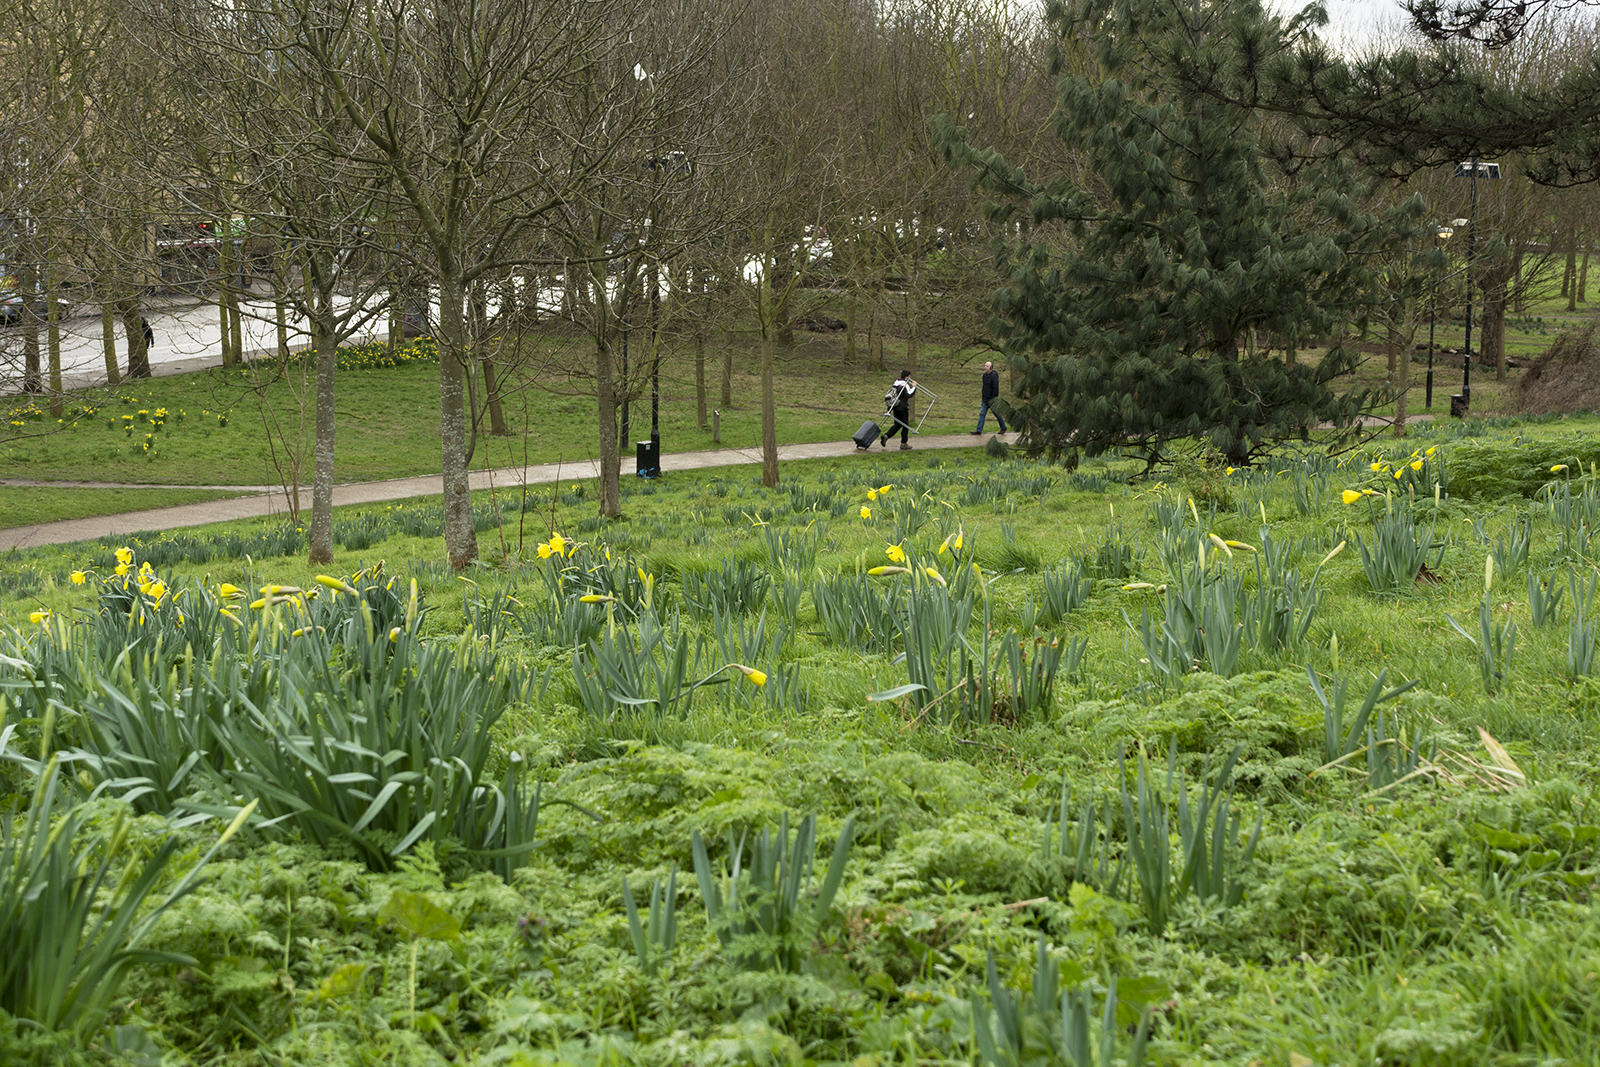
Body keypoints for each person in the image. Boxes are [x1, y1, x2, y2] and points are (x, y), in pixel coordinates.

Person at [881, 370, 917, 450]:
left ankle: (886, 436)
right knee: (905, 425)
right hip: (902, 408)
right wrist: (914, 387)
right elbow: (909, 394)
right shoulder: (904, 385)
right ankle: (904, 443)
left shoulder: (896, 384)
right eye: (909, 377)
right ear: (906, 377)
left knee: (897, 424)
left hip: (896, 407)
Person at [971, 360, 1007, 435]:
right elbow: (984, 387)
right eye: (985, 365)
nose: (985, 367)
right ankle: (979, 430)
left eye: (987, 366)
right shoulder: (984, 376)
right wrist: (983, 396)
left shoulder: (994, 376)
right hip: (985, 399)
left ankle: (1003, 427)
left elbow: (995, 388)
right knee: (982, 414)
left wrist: (993, 398)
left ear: (991, 367)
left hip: (992, 399)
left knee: (997, 414)